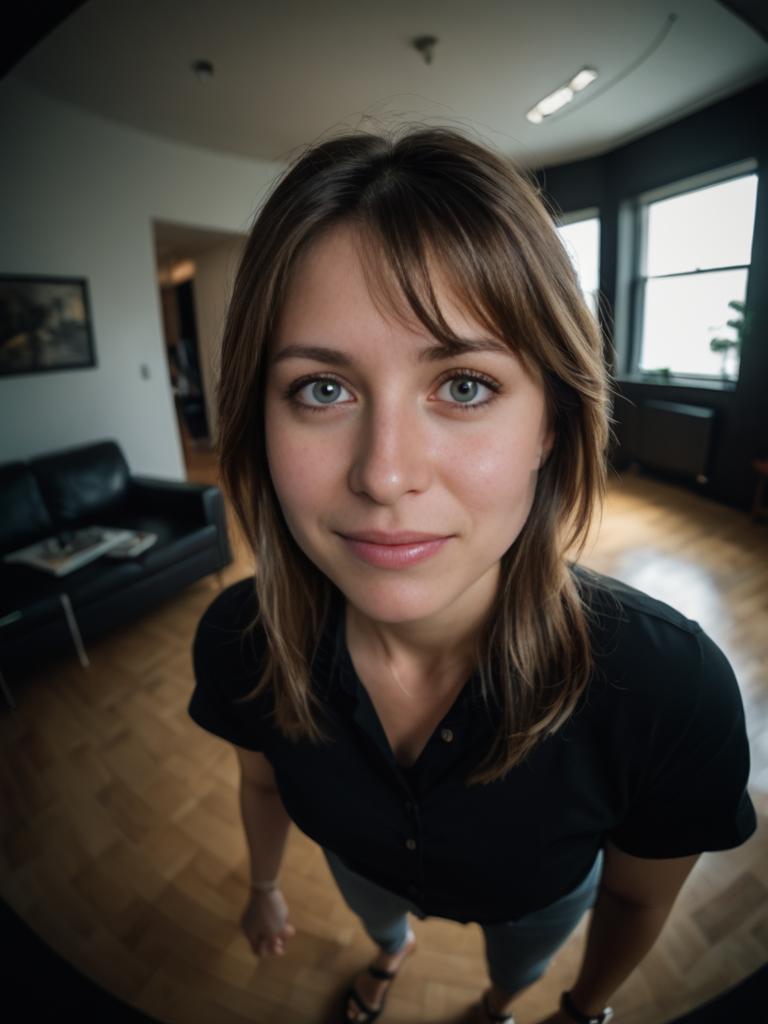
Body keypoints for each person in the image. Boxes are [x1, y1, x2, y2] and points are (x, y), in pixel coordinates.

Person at [187, 126, 757, 1024]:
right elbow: (262, 783)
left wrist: (579, 1011)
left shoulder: (668, 693)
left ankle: (497, 1000)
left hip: (536, 916)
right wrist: (264, 887)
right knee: (382, 919)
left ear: (552, 426)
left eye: (463, 385)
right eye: (322, 390)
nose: (384, 474)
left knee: (518, 969)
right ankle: (392, 952)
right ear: (260, 420)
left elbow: (638, 899)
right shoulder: (236, 641)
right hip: (362, 876)